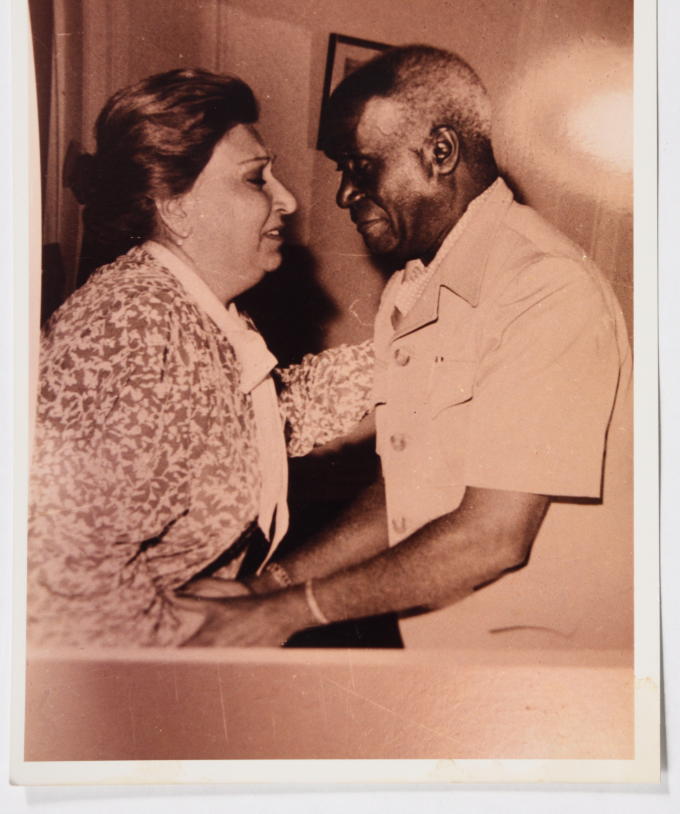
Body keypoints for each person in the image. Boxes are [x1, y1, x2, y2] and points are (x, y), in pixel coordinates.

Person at [181, 45, 633, 651]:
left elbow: (493, 536)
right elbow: (411, 487)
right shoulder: (415, 285)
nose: (344, 194)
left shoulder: (544, 287)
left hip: (541, 655)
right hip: (447, 642)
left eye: (360, 165)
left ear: (439, 152)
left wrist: (287, 612)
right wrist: (268, 587)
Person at [27, 68, 374, 649]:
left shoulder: (184, 307)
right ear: (176, 207)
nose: (286, 199)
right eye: (256, 179)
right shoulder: (132, 327)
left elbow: (258, 418)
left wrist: (401, 356)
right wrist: (195, 654)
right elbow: (56, 576)